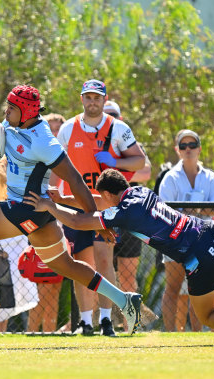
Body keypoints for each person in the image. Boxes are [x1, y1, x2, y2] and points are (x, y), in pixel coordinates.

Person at [0, 84, 142, 336]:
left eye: (11, 108)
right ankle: (126, 301)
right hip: (38, 213)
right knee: (66, 265)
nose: (5, 112)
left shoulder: (44, 141)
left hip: (26, 209)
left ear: (26, 111)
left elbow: (75, 180)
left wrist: (97, 221)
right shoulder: (11, 125)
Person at [25, 169, 214, 338]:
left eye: (105, 198)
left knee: (209, 316)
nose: (105, 203)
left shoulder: (123, 212)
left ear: (109, 195)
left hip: (197, 254)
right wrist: (66, 198)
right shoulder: (141, 191)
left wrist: (50, 206)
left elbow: (79, 222)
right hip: (211, 230)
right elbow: (100, 203)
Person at [54, 79, 146, 336]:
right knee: (80, 263)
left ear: (105, 100)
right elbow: (56, 165)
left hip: (106, 206)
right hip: (77, 203)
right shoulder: (68, 129)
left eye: (97, 97)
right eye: (88, 97)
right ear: (81, 99)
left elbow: (139, 161)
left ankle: (105, 319)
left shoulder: (118, 128)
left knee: (104, 259)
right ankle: (85, 321)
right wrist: (53, 194)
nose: (92, 101)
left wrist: (115, 159)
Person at [158, 129, 214, 331]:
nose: (188, 150)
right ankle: (170, 333)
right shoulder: (170, 178)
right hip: (174, 239)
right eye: (183, 146)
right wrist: (199, 209)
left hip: (204, 239)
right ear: (177, 150)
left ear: (199, 149)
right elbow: (164, 210)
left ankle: (198, 333)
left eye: (192, 145)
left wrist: (188, 209)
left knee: (200, 288)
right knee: (173, 287)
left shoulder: (211, 177)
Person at [103, 99, 157, 329]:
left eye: (114, 114)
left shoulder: (130, 145)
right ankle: (98, 323)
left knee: (127, 274)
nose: (111, 119)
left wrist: (115, 169)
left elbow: (145, 172)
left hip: (128, 215)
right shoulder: (92, 143)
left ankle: (129, 324)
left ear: (121, 118)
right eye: (108, 115)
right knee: (101, 271)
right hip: (102, 213)